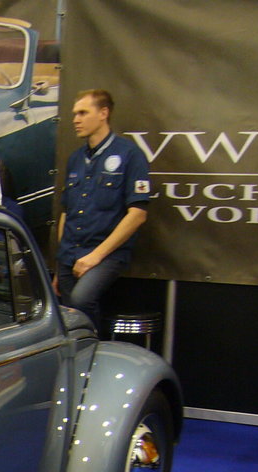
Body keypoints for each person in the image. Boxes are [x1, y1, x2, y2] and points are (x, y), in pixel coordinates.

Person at [54, 89, 151, 327]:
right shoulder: (75, 158)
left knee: (81, 300)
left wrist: (95, 257)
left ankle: (93, 353)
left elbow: (138, 215)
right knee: (67, 314)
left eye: (83, 113)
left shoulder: (129, 154)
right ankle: (76, 359)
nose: (76, 119)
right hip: (70, 252)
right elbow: (66, 212)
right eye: (74, 114)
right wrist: (59, 263)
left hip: (105, 252)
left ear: (103, 113)